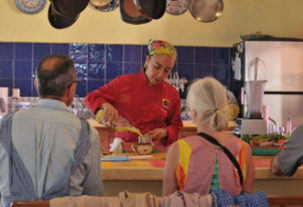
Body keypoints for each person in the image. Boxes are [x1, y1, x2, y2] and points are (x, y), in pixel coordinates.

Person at [0, 54, 103, 207]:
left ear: (36, 84)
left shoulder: (5, 126)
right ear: (71, 89)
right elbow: (94, 199)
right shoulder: (87, 134)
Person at [85, 40, 183, 152]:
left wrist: (166, 132)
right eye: (157, 67)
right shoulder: (124, 83)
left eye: (166, 70)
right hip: (124, 149)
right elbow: (91, 98)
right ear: (147, 61)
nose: (161, 74)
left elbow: (176, 126)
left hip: (156, 150)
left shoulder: (171, 94)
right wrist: (105, 104)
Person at [163, 77, 255, 196]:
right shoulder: (243, 149)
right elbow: (247, 199)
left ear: (193, 113)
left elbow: (168, 201)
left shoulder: (178, 150)